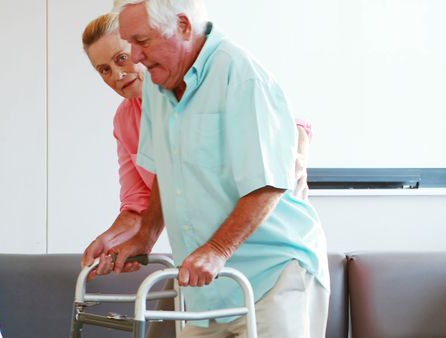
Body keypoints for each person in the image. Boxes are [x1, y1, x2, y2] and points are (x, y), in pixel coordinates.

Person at [109, 0, 330, 337]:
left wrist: (218, 250)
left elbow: (269, 184)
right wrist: (146, 235)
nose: (135, 56)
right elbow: (164, 171)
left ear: (183, 25)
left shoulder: (241, 76)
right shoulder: (158, 82)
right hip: (205, 290)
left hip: (272, 276)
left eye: (142, 41)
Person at [79, 12, 313, 280]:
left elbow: (286, 129)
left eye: (122, 58)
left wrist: (299, 150)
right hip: (201, 257)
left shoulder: (214, 78)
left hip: (261, 253)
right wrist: (111, 242)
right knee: (168, 320)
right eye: (104, 70)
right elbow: (139, 201)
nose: (118, 74)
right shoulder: (127, 118)